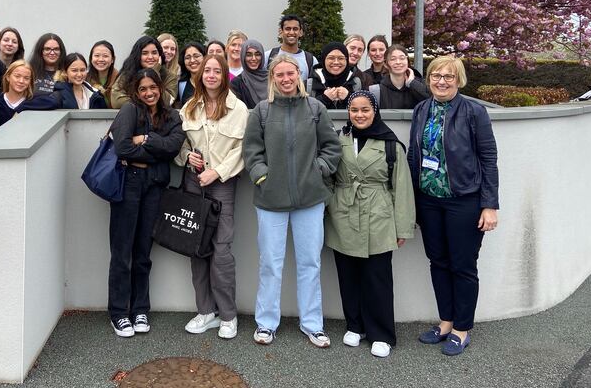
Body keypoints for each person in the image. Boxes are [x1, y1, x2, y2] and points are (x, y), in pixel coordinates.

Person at [243, 55, 341, 348]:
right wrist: (262, 176)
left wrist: (318, 170)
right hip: (270, 199)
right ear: (272, 78)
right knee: (270, 264)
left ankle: (312, 324)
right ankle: (266, 323)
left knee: (309, 263)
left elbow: (331, 147)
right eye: (280, 74)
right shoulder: (261, 110)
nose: (286, 79)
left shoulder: (315, 108)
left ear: (299, 75)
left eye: (290, 73)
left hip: (309, 198)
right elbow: (251, 150)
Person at [408, 56, 499, 356]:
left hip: (464, 201)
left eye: (449, 76)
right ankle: (445, 322)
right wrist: (411, 202)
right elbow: (414, 156)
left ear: (458, 80)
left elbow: (488, 159)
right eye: (436, 75)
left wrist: (489, 205)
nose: (442, 81)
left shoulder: (474, 111)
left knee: (462, 266)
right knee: (438, 262)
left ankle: (462, 328)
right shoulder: (422, 109)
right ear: (429, 79)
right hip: (429, 200)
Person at [324, 90, 415, 358]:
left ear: (375, 111)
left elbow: (402, 188)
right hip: (343, 213)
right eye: (354, 110)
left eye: (365, 110)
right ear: (348, 113)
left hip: (378, 215)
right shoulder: (338, 140)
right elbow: (328, 178)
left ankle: (381, 333)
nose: (360, 115)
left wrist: (403, 227)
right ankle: (355, 325)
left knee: (377, 278)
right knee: (347, 275)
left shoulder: (391, 145)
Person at [107, 68, 185, 337]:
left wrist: (147, 140)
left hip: (154, 188)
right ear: (135, 92)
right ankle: (119, 312)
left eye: (153, 87)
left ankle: (140, 309)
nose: (149, 93)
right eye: (143, 89)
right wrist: (156, 150)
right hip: (128, 184)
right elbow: (122, 148)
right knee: (122, 251)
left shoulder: (172, 115)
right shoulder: (130, 111)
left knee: (143, 252)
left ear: (161, 87)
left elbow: (173, 147)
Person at [177, 54, 248, 339]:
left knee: (221, 250)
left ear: (224, 75)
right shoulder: (190, 107)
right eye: (207, 70)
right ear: (200, 75)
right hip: (193, 183)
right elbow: (179, 143)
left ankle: (228, 315)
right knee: (197, 249)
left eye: (216, 70)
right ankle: (205, 311)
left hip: (222, 185)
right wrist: (187, 157)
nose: (211, 75)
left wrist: (216, 172)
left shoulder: (238, 108)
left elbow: (242, 150)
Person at [109, 36, 178, 108]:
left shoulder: (170, 76)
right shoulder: (128, 74)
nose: (150, 57)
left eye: (154, 53)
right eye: (145, 53)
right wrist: (147, 101)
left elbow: (167, 101)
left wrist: (154, 73)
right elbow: (117, 102)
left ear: (160, 55)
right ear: (138, 55)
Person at [0, 60, 61, 127]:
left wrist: (22, 107)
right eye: (17, 76)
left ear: (30, 81)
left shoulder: (32, 100)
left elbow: (54, 102)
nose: (21, 81)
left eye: (26, 78)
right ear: (8, 77)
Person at [370, 45, 428, 109]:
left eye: (402, 58)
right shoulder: (377, 90)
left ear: (407, 61)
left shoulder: (421, 85)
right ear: (385, 64)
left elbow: (432, 101)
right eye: (393, 59)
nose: (398, 62)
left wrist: (412, 83)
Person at [265, 14, 318, 82]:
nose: (291, 32)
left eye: (295, 29)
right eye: (288, 29)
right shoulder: (268, 56)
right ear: (280, 32)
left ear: (301, 32)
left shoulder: (310, 60)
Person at [310, 42, 362, 110]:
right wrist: (324, 99)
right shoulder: (310, 83)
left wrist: (349, 97)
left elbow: (363, 110)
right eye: (331, 58)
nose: (336, 62)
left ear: (346, 60)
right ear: (323, 59)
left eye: (341, 58)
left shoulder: (356, 83)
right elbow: (304, 112)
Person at [230, 39, 268, 109]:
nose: (254, 58)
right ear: (243, 57)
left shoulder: (272, 78)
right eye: (248, 55)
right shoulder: (236, 83)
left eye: (257, 54)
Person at [87, 40, 119, 107]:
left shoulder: (120, 79)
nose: (101, 59)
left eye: (105, 56)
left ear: (112, 59)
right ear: (91, 58)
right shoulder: (84, 80)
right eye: (97, 55)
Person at [176, 42, 205, 107]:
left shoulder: (212, 81)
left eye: (196, 56)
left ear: (204, 57)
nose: (192, 60)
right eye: (187, 57)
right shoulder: (181, 84)